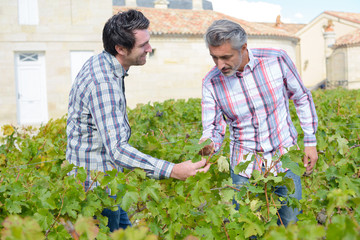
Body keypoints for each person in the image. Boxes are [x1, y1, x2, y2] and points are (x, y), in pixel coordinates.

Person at [66, 9, 210, 232]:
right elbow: (118, 150)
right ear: (121, 49)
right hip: (96, 189)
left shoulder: (102, 63)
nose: (150, 49)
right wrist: (173, 170)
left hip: (105, 181)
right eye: (143, 45)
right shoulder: (103, 83)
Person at [199, 19, 318, 227]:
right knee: (248, 227)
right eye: (214, 57)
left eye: (226, 57)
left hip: (285, 160)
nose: (220, 65)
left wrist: (310, 141)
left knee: (290, 223)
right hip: (244, 169)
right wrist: (208, 144)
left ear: (244, 48)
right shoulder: (211, 82)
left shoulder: (276, 59)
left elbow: (302, 97)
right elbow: (213, 128)